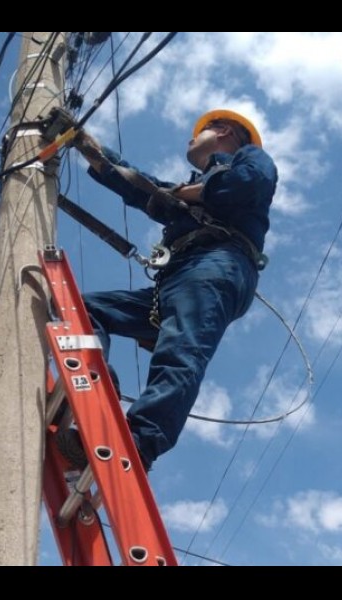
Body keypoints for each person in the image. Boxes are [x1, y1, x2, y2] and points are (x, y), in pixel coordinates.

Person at [67, 109, 277, 471]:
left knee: (181, 348)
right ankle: (96, 382)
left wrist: (183, 193)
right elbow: (139, 187)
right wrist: (87, 147)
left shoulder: (249, 158)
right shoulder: (186, 194)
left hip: (217, 262)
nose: (190, 139)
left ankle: (140, 440)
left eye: (200, 131)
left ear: (224, 131)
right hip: (179, 275)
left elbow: (247, 183)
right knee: (84, 310)